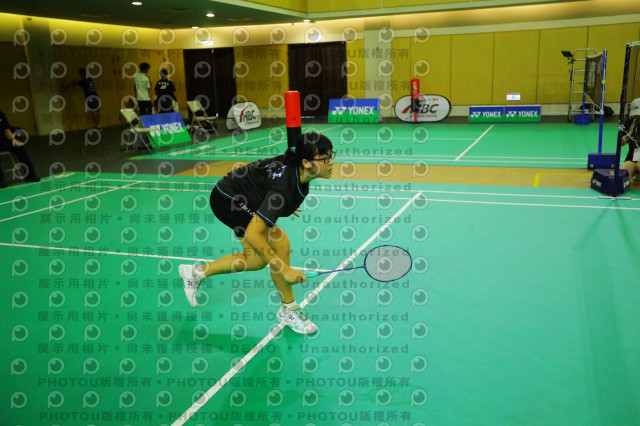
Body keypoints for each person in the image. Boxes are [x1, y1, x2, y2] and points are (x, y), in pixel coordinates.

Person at [179, 132, 336, 334]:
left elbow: (267, 182)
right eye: (325, 158)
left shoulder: (295, 174)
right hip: (228, 199)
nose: (331, 162)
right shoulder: (282, 189)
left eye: (331, 156)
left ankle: (195, 273)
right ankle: (289, 308)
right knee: (280, 243)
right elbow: (254, 233)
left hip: (245, 197)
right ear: (305, 163)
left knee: (256, 260)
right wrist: (284, 269)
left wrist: (276, 204)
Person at [0, 110, 40, 188]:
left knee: (19, 147)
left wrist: (13, 139)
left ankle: (30, 176)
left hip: (3, 141)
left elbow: (7, 131)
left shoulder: (1, 114)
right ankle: (0, 181)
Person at [621, 97, 640, 184]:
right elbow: (620, 143)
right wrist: (622, 141)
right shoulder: (629, 123)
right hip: (632, 156)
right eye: (636, 114)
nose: (638, 116)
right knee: (622, 178)